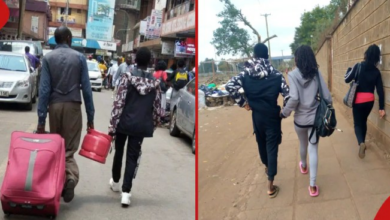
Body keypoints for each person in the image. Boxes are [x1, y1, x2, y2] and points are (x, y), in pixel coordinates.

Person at [36, 26, 95, 203]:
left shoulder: (48, 58)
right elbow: (87, 89)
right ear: (69, 38)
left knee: (57, 147)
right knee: (68, 150)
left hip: (54, 107)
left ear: (55, 39)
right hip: (73, 107)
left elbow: (44, 90)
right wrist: (90, 117)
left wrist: (41, 120)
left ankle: (59, 183)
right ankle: (70, 179)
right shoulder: (79, 58)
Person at [225, 43, 289, 198]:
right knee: (272, 147)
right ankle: (270, 185)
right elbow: (288, 95)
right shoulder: (276, 74)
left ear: (254, 56)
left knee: (261, 143)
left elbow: (229, 86)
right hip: (272, 115)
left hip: (257, 116)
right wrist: (284, 112)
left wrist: (243, 103)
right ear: (267, 56)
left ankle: (267, 166)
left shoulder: (246, 74)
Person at [108, 47, 161, 206]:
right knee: (132, 157)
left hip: (124, 123)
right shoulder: (155, 83)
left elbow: (119, 102)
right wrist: (154, 123)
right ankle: (126, 192)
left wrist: (113, 124)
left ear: (135, 60)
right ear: (150, 62)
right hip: (141, 125)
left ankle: (116, 182)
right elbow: (158, 108)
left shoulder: (127, 78)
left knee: (119, 152)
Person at [281, 45, 332, 197]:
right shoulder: (316, 73)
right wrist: (329, 111)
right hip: (315, 118)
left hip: (300, 120)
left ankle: (303, 165)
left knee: (303, 144)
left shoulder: (292, 75)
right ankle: (312, 186)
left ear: (297, 59)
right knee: (313, 148)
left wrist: (284, 113)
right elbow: (327, 96)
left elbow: (294, 98)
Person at [344, 44, 385, 159]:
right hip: (370, 100)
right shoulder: (377, 72)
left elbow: (346, 79)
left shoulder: (358, 66)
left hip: (358, 99)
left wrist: (348, 70)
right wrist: (381, 108)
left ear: (366, 54)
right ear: (377, 57)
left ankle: (361, 142)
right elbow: (380, 91)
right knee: (364, 120)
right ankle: (364, 141)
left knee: (357, 123)